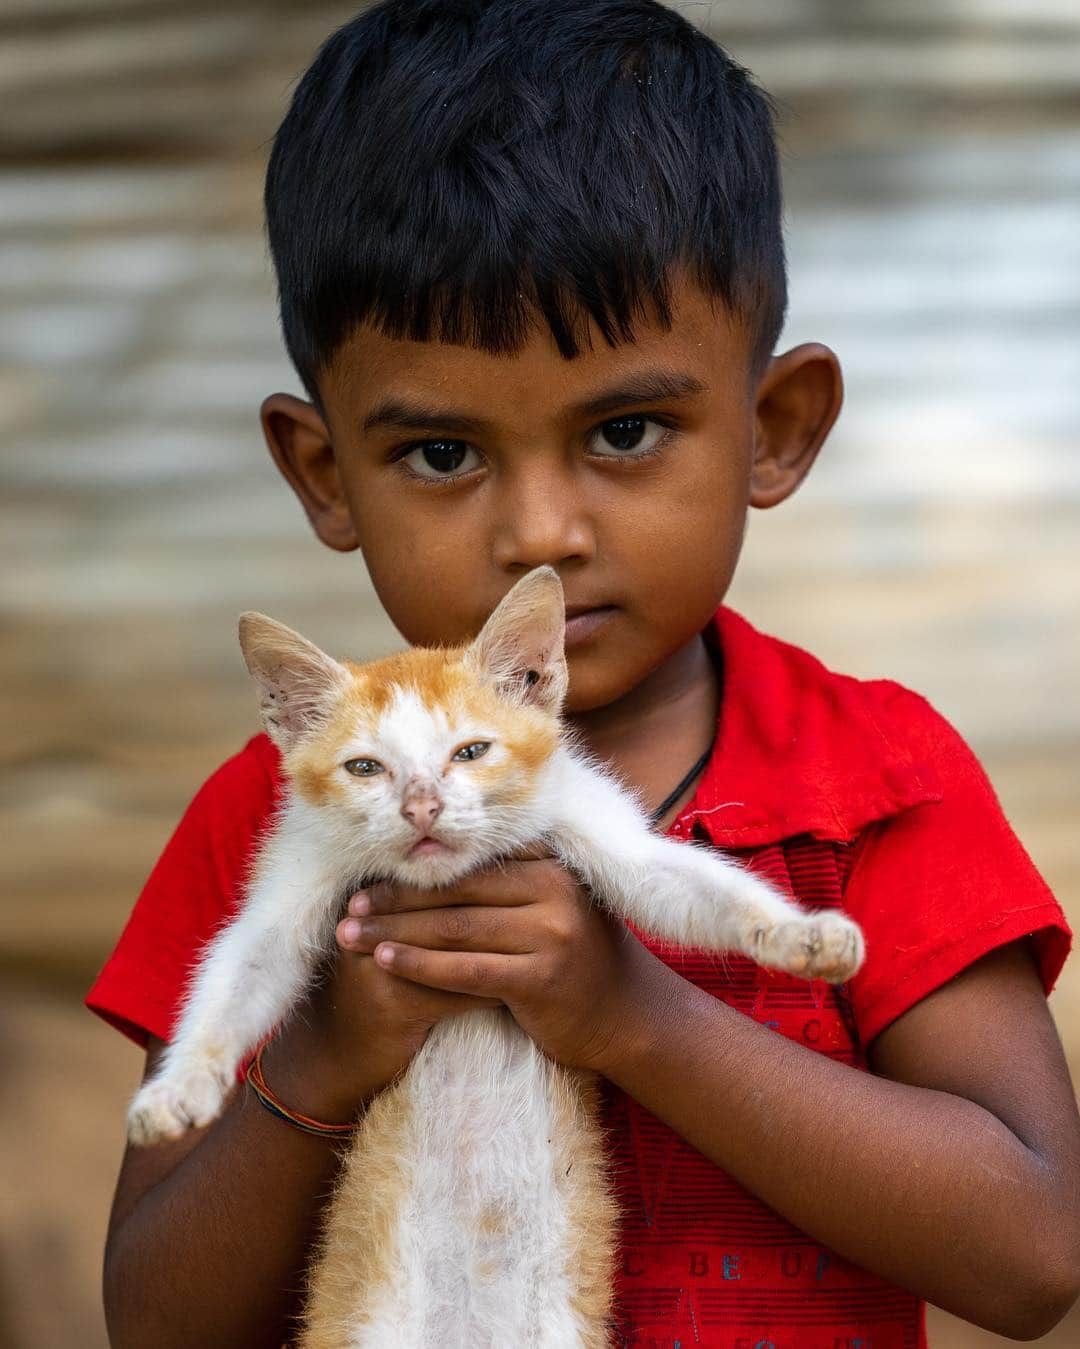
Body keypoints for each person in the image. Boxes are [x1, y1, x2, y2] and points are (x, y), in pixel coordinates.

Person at [87, 2, 1080, 1345]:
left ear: (775, 431)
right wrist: (325, 1053)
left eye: (625, 430)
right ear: (325, 477)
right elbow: (155, 1320)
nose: (541, 532)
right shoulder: (293, 809)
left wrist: (631, 1018)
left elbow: (1032, 1255)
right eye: (442, 454)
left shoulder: (867, 780)